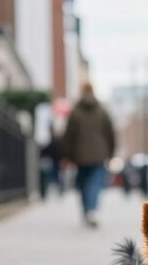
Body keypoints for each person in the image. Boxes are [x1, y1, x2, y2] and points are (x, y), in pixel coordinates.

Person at [63, 82, 116, 228]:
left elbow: (68, 135)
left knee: (82, 183)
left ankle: (87, 210)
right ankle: (91, 210)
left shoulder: (75, 112)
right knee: (95, 183)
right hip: (99, 154)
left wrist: (68, 154)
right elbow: (110, 134)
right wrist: (111, 152)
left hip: (79, 155)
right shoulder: (102, 111)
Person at [39, 129, 65, 200]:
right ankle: (59, 191)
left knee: (51, 178)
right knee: (57, 178)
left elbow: (45, 151)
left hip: (54, 163)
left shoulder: (53, 142)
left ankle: (50, 192)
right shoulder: (60, 143)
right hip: (56, 163)